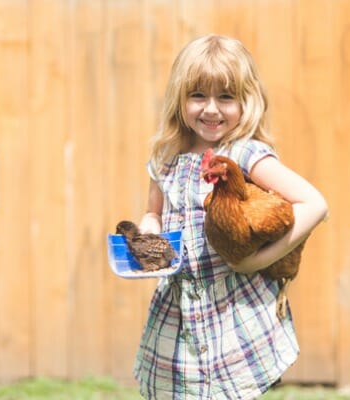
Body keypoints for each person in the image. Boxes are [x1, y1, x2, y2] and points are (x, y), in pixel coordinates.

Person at [134, 34, 328, 399]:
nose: (211, 109)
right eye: (198, 96)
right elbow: (152, 212)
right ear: (180, 98)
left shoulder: (246, 153)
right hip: (180, 309)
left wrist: (256, 260)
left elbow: (314, 203)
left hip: (232, 306)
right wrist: (148, 233)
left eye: (225, 97)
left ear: (245, 101)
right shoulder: (166, 159)